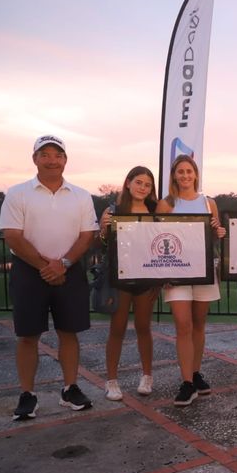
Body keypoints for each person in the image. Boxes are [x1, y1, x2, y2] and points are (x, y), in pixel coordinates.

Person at [0, 135, 98, 420]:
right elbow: (13, 236)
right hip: (29, 273)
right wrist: (47, 266)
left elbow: (87, 235)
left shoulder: (81, 195)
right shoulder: (18, 193)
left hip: (69, 271)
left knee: (69, 332)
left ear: (65, 160)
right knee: (28, 335)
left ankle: (70, 389)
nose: (52, 160)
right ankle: (28, 394)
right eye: (45, 154)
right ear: (35, 159)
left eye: (58, 154)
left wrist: (63, 264)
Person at [155, 155, 227, 406]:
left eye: (189, 171)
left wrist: (219, 232)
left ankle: (195, 374)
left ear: (196, 174)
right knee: (182, 325)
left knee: (198, 324)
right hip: (176, 273)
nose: (185, 176)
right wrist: (162, 272)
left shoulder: (209, 203)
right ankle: (186, 382)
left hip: (204, 270)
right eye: (180, 172)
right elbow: (158, 238)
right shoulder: (166, 204)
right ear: (174, 175)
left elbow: (215, 238)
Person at [98, 166, 160, 401]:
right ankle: (111, 380)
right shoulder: (113, 210)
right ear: (128, 183)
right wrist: (103, 230)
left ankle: (147, 375)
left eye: (147, 184)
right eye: (139, 182)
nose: (143, 188)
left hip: (146, 278)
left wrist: (160, 278)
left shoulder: (155, 210)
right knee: (118, 329)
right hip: (121, 277)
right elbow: (102, 246)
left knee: (144, 328)